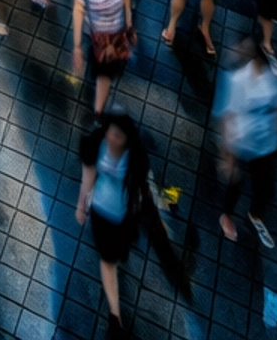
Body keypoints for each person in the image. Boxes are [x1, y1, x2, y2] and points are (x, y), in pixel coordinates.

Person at [77, 112, 193, 340]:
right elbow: (88, 173)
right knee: (108, 260)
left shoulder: (136, 158)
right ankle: (115, 317)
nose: (111, 138)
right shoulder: (96, 143)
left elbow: (142, 190)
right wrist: (82, 204)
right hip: (104, 213)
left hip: (132, 206)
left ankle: (172, 199)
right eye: (110, 132)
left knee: (156, 221)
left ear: (127, 139)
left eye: (117, 136)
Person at [216, 39, 277, 248]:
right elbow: (227, 116)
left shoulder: (271, 75)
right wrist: (228, 157)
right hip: (244, 143)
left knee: (264, 186)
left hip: (266, 144)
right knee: (234, 184)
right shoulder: (237, 80)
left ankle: (255, 215)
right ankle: (227, 215)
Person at [71, 0, 135, 116]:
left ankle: (99, 106)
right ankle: (98, 110)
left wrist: (129, 23)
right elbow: (78, 10)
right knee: (104, 71)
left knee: (108, 68)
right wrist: (76, 47)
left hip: (118, 33)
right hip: (99, 36)